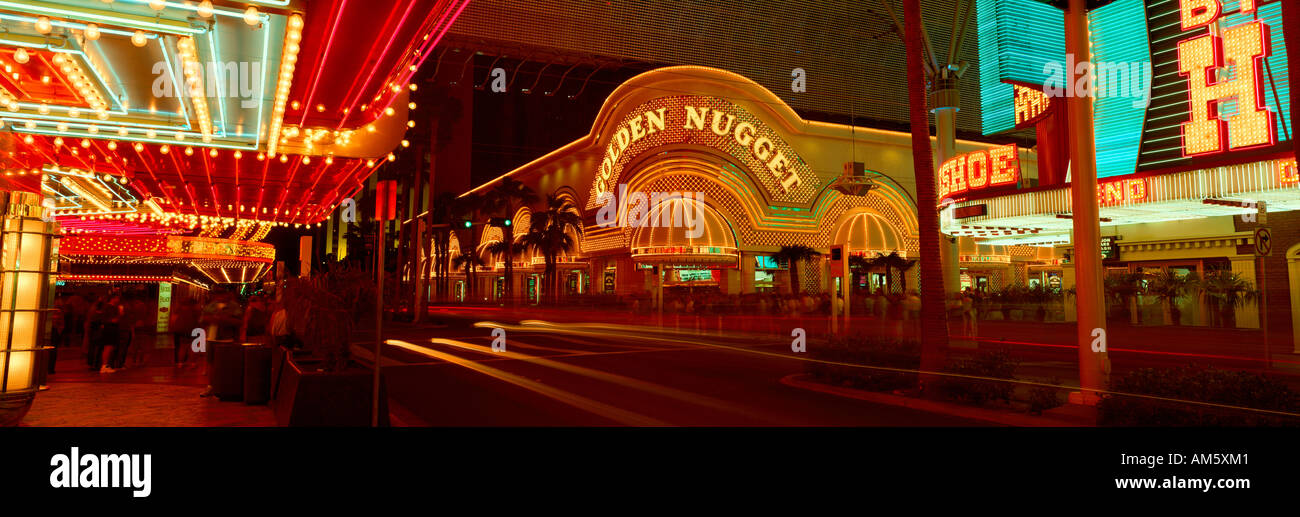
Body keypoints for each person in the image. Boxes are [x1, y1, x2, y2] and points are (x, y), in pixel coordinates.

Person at [170, 297, 201, 367]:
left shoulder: (179, 309)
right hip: (192, 329)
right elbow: (199, 319)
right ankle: (192, 363)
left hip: (180, 330)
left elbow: (173, 319)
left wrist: (173, 327)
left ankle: (180, 363)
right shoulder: (195, 309)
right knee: (193, 347)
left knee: (182, 347)